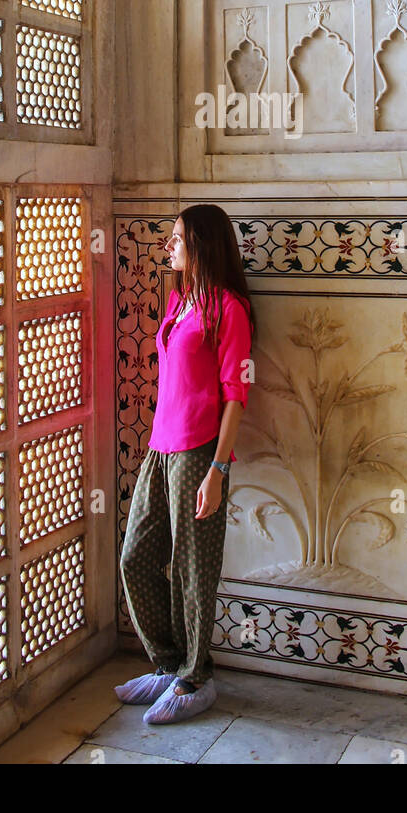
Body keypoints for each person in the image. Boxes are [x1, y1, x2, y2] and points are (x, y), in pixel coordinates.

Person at [115, 203, 253, 723]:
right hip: (159, 447)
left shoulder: (229, 309)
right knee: (136, 557)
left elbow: (236, 395)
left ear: (201, 245)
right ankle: (169, 663)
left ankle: (198, 677)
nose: (168, 247)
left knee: (194, 571)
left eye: (176, 239)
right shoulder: (178, 303)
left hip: (200, 453)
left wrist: (217, 471)